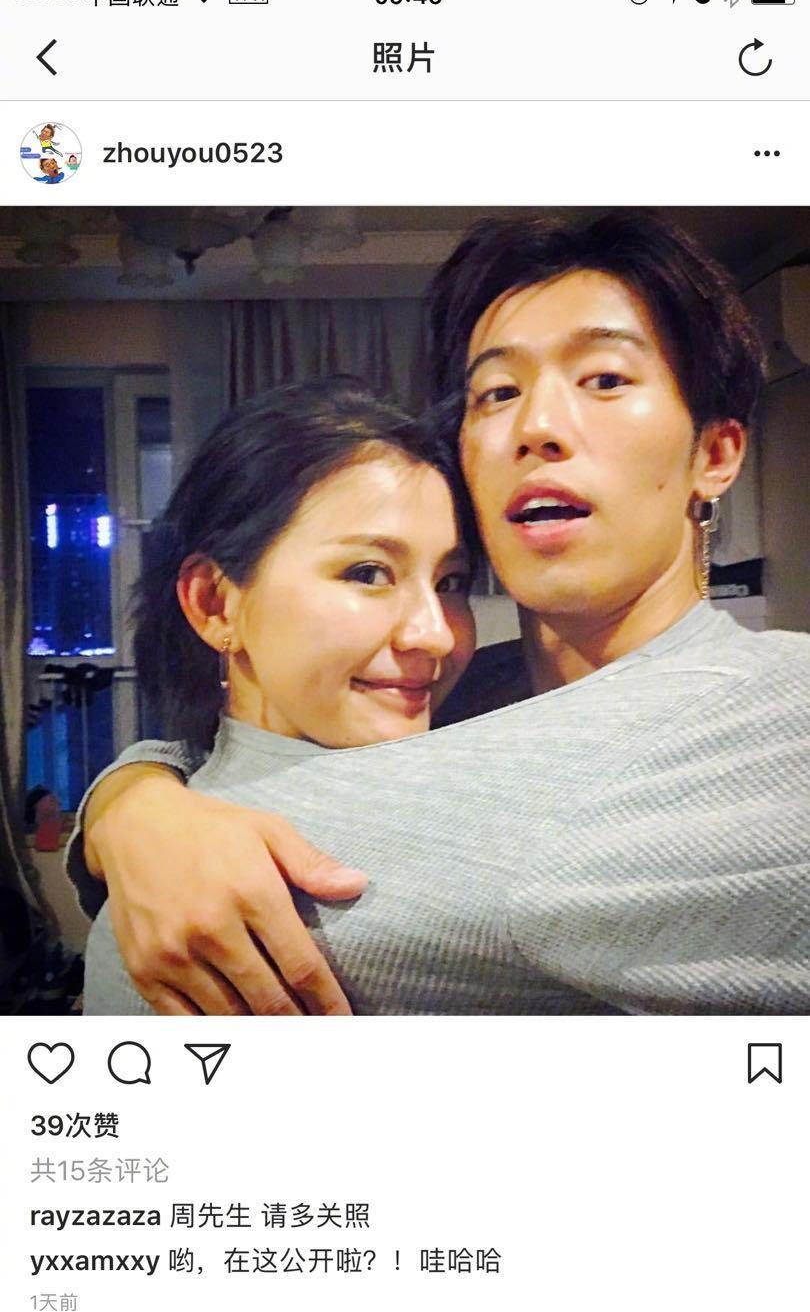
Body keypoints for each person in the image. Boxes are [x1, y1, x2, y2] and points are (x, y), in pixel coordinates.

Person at [72, 212, 810, 1017]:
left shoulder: (775, 713)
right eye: (498, 392)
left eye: (604, 379)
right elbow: (229, 749)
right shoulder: (455, 695)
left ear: (715, 453)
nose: (536, 427)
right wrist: (134, 807)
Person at [81, 377, 477, 1014]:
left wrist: (126, 798)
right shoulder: (185, 915)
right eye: (368, 572)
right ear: (216, 604)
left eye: (452, 581)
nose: (435, 634)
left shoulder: (493, 715)